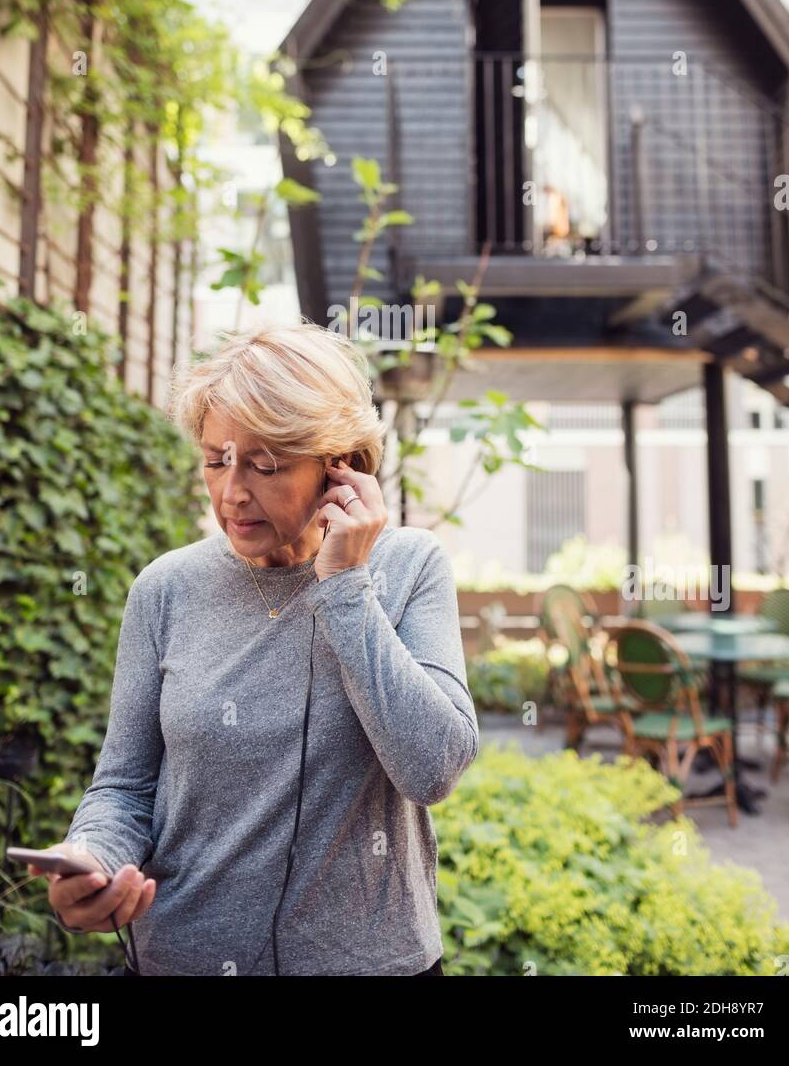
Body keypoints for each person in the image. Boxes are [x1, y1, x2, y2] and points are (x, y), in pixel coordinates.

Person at [32, 320, 479, 975]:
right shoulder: (165, 589)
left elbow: (433, 768)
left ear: (342, 467)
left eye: (266, 466)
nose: (231, 492)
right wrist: (93, 862)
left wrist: (346, 588)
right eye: (216, 459)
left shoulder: (410, 567)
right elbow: (125, 789)